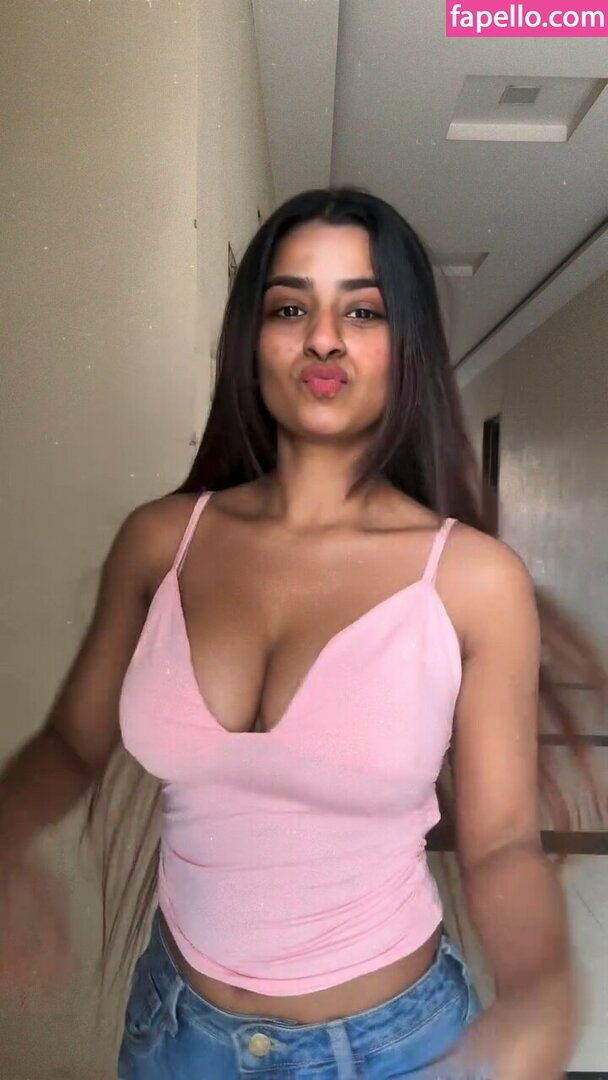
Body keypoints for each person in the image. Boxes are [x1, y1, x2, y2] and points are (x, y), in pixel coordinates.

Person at [1, 187, 604, 1079]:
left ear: (406, 345)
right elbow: (70, 742)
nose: (324, 339)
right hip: (175, 1034)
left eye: (362, 311)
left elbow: (502, 840)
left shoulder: (474, 581)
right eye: (291, 308)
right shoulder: (162, 542)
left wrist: (540, 987)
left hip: (394, 1049)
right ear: (252, 339)